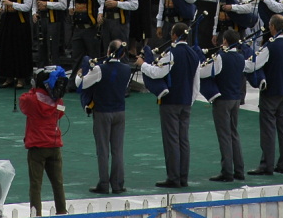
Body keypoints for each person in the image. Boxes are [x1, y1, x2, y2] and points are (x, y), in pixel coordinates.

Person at [140, 22, 203, 189]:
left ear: (174, 35)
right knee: (184, 140)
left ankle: (173, 177)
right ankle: (183, 177)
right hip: (186, 102)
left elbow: (157, 72)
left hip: (171, 102)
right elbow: (196, 83)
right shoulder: (194, 55)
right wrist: (190, 100)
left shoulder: (171, 53)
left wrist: (142, 65)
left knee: (172, 141)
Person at [76, 40, 131, 195]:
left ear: (108, 51)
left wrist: (80, 73)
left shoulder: (100, 69)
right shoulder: (127, 69)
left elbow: (82, 85)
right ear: (123, 54)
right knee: (118, 150)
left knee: (103, 150)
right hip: (120, 111)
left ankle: (104, 183)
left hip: (102, 112)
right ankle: (118, 184)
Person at [244, 14, 283, 176]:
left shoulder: (269, 46)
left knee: (268, 129)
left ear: (273, 27)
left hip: (270, 92)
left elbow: (254, 65)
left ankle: (266, 164)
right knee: (282, 128)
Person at [19, 65, 69, 216]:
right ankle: (61, 211)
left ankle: (36, 214)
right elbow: (59, 115)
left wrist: (34, 90)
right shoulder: (58, 100)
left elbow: (23, 102)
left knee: (36, 185)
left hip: (37, 148)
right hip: (54, 146)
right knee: (58, 183)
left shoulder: (32, 100)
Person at [200, 29, 247, 182]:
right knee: (234, 134)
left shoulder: (221, 57)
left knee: (224, 136)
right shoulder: (241, 57)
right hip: (235, 99)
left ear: (225, 41)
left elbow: (204, 73)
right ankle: (239, 170)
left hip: (223, 100)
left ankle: (227, 171)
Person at [0, 0, 35, 89]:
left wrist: (12, 4)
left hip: (20, 23)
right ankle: (8, 77)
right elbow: (2, 3)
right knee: (7, 49)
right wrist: (1, 8)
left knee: (20, 51)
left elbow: (27, 6)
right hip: (8, 22)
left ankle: (21, 78)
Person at [69, 0, 104, 74]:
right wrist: (71, 8)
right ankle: (75, 81)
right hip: (78, 28)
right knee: (76, 57)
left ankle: (94, 81)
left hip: (91, 28)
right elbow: (72, 0)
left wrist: (100, 14)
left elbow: (102, 3)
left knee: (93, 57)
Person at [34, 0, 67, 67]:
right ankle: (41, 73)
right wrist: (34, 13)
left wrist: (47, 4)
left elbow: (63, 5)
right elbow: (34, 3)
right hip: (41, 20)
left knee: (52, 48)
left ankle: (54, 73)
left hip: (53, 21)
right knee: (41, 48)